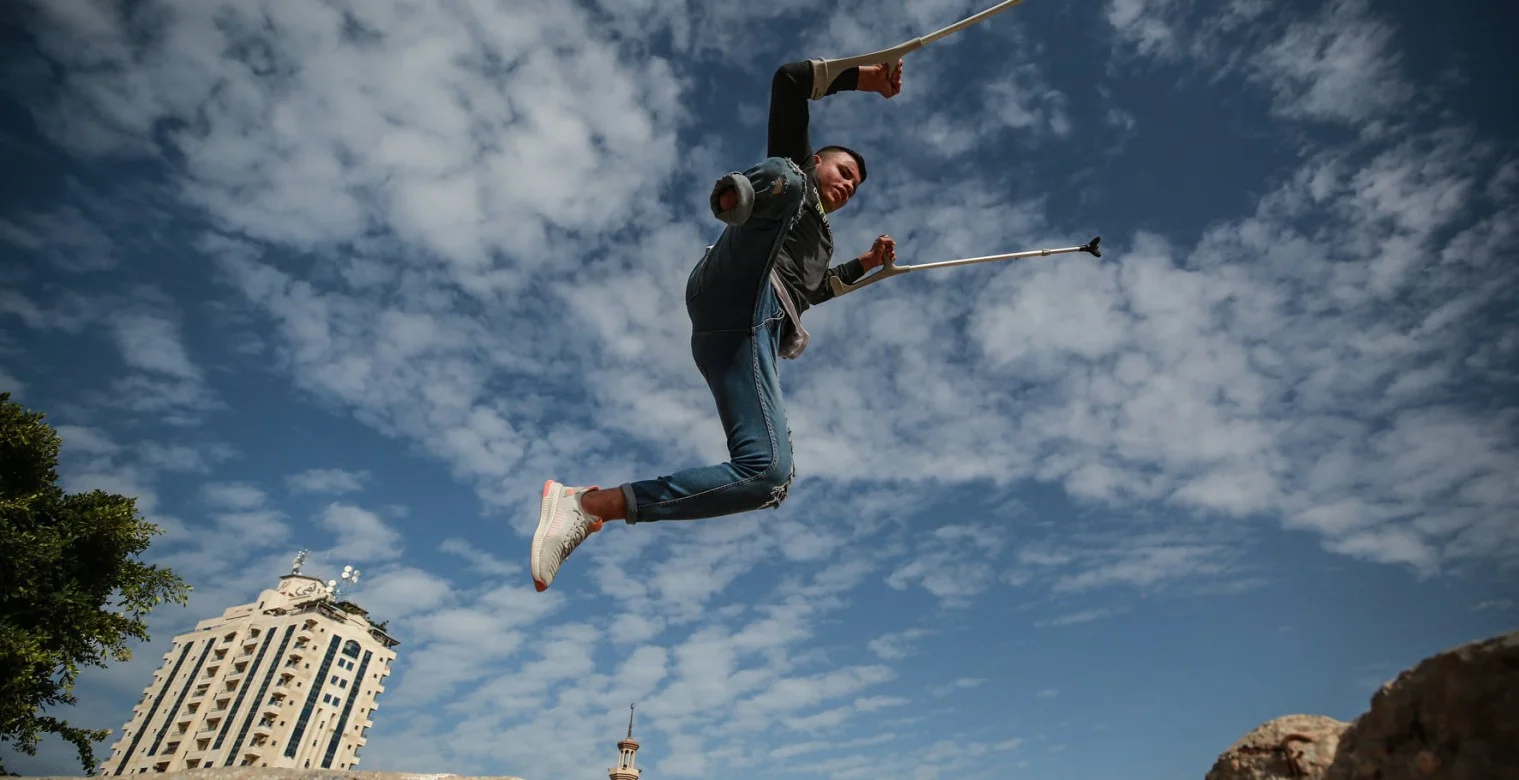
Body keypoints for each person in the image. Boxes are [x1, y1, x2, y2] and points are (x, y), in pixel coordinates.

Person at [530, 56, 906, 592]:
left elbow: (814, 292)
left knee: (769, 475)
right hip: (733, 279)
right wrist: (864, 78)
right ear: (821, 157)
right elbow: (789, 81)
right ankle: (740, 197)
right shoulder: (802, 167)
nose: (848, 185)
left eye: (856, 187)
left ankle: (589, 507)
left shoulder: (824, 241)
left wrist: (867, 265)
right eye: (844, 172)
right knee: (787, 179)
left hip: (749, 335)